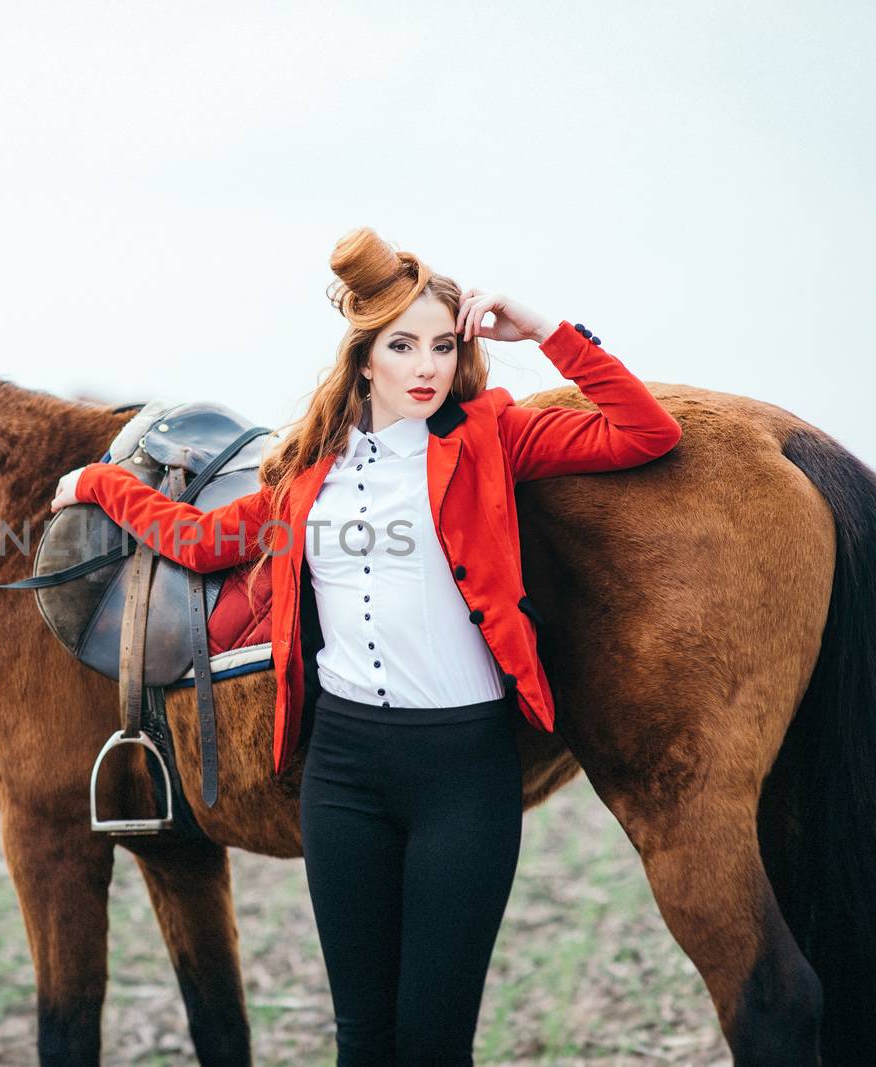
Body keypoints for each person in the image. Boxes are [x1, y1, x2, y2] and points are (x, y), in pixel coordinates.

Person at [48, 227, 682, 1065]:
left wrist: (545, 331)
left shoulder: (491, 437)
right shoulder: (309, 470)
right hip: (343, 773)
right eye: (403, 345)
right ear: (365, 359)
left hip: (464, 773)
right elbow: (202, 542)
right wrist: (100, 483)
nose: (427, 366)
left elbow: (647, 432)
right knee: (364, 1040)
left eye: (443, 346)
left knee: (433, 1043)